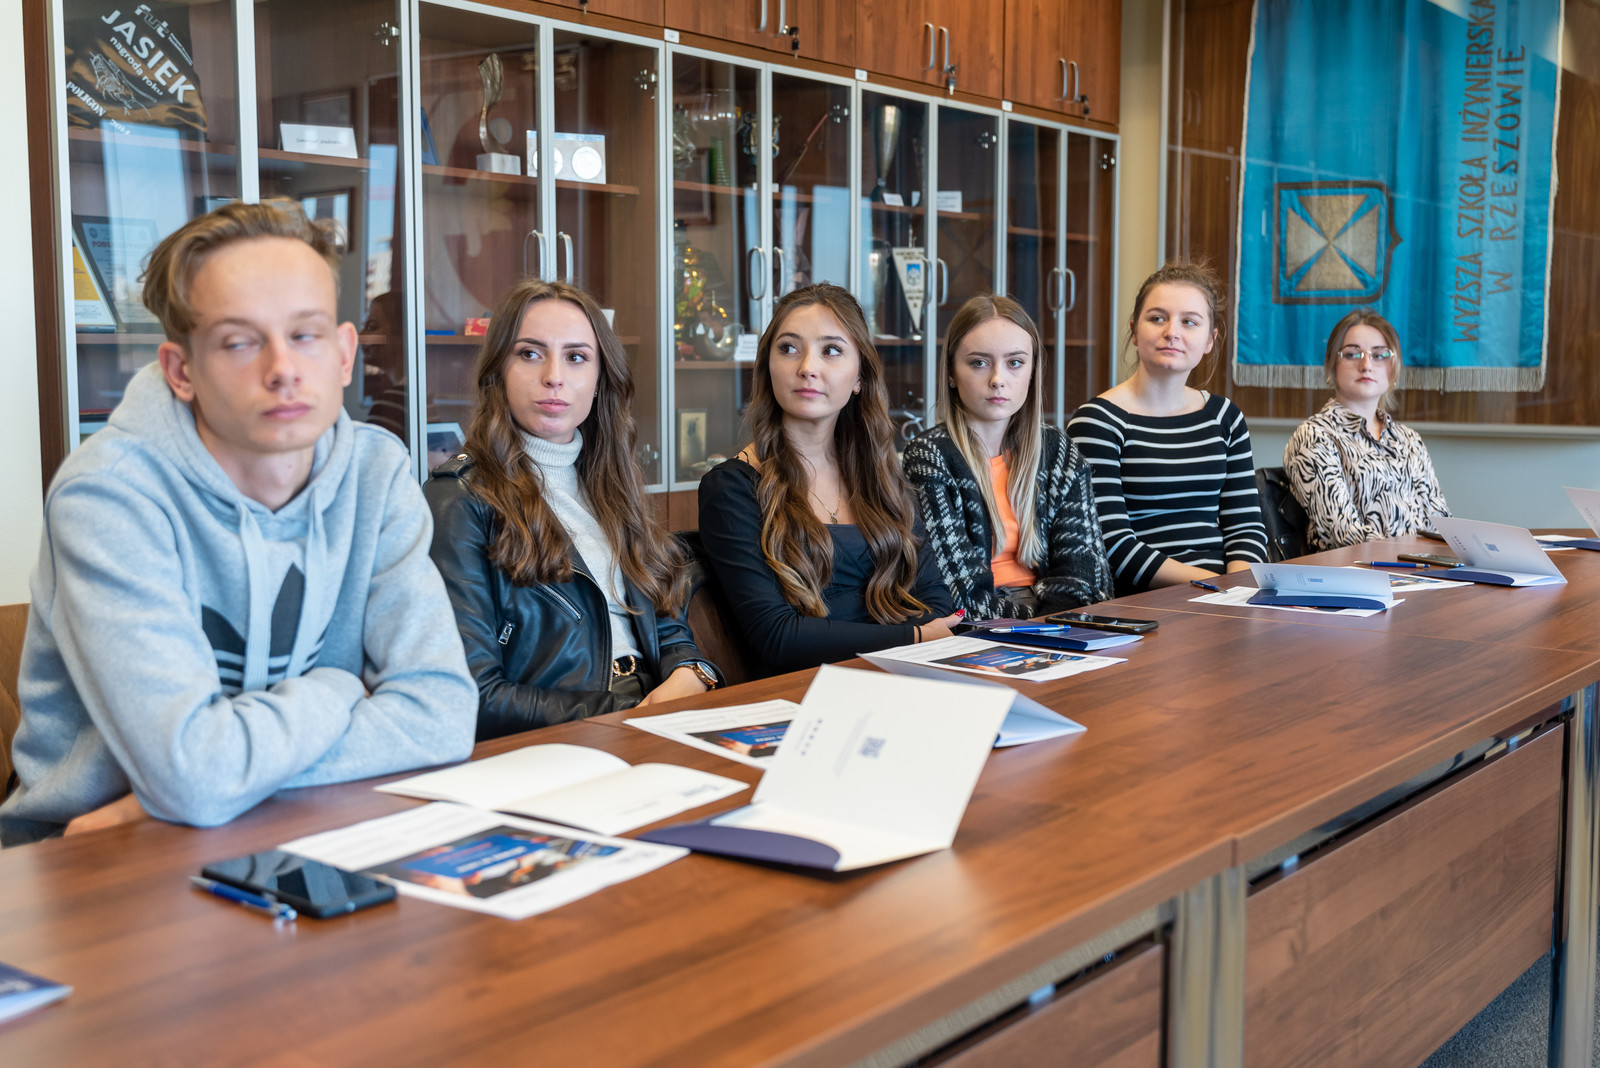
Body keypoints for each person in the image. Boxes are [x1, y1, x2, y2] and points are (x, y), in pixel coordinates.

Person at [0, 201, 477, 847]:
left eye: (305, 334)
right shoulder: (109, 494)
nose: (282, 369)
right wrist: (337, 687)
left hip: (282, 820)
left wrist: (208, 783)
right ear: (182, 371)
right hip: (92, 849)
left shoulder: (376, 471)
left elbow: (443, 716)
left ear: (343, 354)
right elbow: (193, 777)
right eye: (239, 342)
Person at [425, 280, 722, 738]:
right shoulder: (459, 499)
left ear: (600, 379)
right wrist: (628, 712)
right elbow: (476, 694)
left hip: (651, 715)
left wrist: (693, 671)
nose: (554, 376)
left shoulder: (611, 482)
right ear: (498, 369)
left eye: (576, 357)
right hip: (562, 736)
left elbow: (665, 623)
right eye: (530, 353)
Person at [698, 283, 958, 678]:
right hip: (801, 691)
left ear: (859, 377)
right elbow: (779, 638)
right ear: (768, 368)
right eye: (789, 348)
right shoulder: (732, 488)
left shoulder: (882, 477)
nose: (807, 367)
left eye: (831, 350)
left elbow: (937, 602)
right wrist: (915, 637)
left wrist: (917, 639)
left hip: (901, 679)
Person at [903, 295, 1112, 619]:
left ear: (1032, 371)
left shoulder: (1057, 449)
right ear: (951, 373)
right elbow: (957, 592)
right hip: (978, 626)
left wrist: (1054, 626)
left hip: (1058, 618)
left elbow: (1086, 575)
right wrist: (1034, 626)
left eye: (1015, 363)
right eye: (979, 363)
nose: (997, 379)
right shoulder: (929, 456)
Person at [1067, 262, 1268, 595]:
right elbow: (1112, 544)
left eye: (1189, 322)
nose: (1172, 332)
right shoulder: (1097, 421)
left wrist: (1239, 592)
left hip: (1226, 595)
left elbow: (1245, 529)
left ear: (1210, 339)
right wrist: (1215, 586)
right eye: (1157, 318)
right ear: (1134, 331)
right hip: (1145, 601)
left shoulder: (1225, 417)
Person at [1282, 309, 1449, 549]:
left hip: (1422, 567)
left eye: (1379, 355)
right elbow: (1344, 534)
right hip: (1355, 569)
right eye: (1352, 354)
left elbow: (1441, 523)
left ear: (1394, 369)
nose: (1367, 365)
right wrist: (1415, 554)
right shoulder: (1314, 436)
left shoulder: (1409, 439)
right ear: (1331, 366)